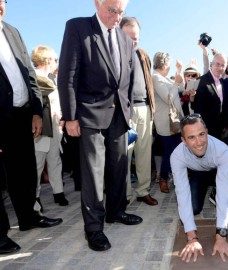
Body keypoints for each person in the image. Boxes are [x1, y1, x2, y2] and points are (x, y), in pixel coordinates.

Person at [57, 0, 142, 252]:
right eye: (111, 10)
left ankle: (116, 211)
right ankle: (94, 228)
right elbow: (68, 74)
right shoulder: (78, 28)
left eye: (121, 12)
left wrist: (127, 113)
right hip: (89, 113)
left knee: (118, 166)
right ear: (97, 3)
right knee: (94, 174)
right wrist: (70, 116)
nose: (116, 17)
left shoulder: (126, 41)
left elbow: (127, 79)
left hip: (118, 115)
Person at [0, 1, 62, 254]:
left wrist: (37, 112)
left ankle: (29, 218)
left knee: (24, 171)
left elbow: (28, 72)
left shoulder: (12, 31)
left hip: (21, 114)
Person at [170, 114, 228, 263]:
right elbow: (182, 192)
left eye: (201, 134)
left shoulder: (223, 151)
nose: (199, 142)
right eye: (191, 137)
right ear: (183, 141)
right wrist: (191, 237)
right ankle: (207, 189)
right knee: (192, 208)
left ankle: (214, 191)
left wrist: (221, 235)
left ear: (207, 131)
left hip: (218, 168)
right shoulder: (177, 156)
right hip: (199, 174)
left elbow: (225, 194)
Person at [119, 17, 158, 206]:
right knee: (124, 155)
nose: (133, 42)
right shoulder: (114, 54)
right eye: (129, 37)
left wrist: (152, 109)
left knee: (144, 154)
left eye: (136, 38)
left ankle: (143, 191)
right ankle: (124, 195)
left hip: (145, 109)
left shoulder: (142, 54)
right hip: (125, 112)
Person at [31, 45, 69, 210]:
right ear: (46, 60)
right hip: (41, 128)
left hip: (54, 127)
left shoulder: (53, 79)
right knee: (38, 164)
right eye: (55, 59)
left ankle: (58, 193)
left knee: (55, 160)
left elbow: (57, 103)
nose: (56, 62)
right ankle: (35, 198)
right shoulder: (32, 77)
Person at [152, 52, 184, 193]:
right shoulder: (156, 78)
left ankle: (169, 177)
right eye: (169, 65)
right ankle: (163, 178)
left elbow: (181, 89)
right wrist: (176, 82)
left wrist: (179, 72)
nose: (170, 67)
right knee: (169, 152)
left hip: (175, 121)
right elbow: (168, 97)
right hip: (165, 123)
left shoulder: (164, 79)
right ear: (164, 64)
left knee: (175, 150)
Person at [192, 53, 228, 140]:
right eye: (217, 64)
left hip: (220, 130)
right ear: (211, 64)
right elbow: (197, 107)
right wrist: (201, 128)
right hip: (205, 130)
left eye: (223, 65)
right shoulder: (200, 81)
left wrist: (225, 124)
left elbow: (223, 106)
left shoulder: (224, 82)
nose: (220, 68)